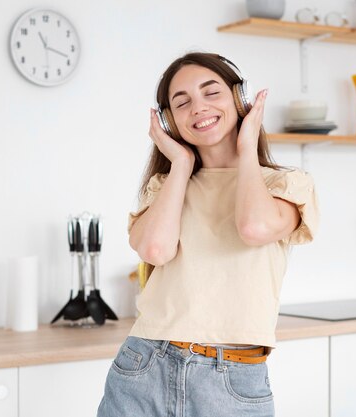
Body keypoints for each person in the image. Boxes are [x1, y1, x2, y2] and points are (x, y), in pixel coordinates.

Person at [96, 51, 319, 417]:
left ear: (240, 99)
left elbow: (254, 227)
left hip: (232, 379)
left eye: (211, 92)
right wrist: (182, 164)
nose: (198, 107)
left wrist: (247, 147)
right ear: (169, 122)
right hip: (145, 364)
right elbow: (155, 249)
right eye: (181, 102)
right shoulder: (166, 187)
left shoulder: (286, 185)